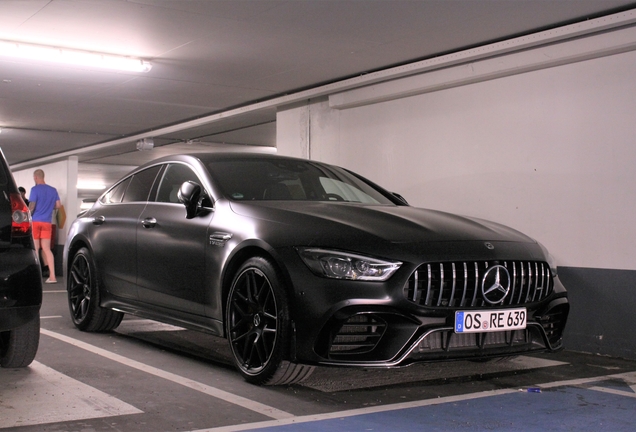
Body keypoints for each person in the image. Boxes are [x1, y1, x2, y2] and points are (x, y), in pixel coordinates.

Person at [28, 169, 62, 284]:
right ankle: (53, 276)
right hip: (47, 222)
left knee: (36, 248)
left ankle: (36, 277)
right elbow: (58, 205)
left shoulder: (34, 189)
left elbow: (32, 207)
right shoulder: (53, 190)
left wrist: (27, 214)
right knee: (47, 249)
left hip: (36, 222)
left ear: (35, 178)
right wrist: (47, 208)